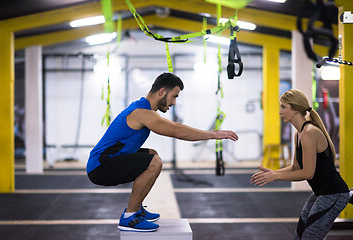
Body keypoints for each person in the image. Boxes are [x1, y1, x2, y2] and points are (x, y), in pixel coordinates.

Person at [86, 72, 239, 232]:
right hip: (100, 167)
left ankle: (136, 209)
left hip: (105, 161)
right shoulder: (141, 113)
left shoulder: (142, 108)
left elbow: (175, 127)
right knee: (154, 162)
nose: (173, 102)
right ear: (161, 92)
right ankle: (129, 217)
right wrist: (213, 134)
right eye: (174, 96)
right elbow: (177, 130)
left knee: (152, 154)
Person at [251, 89, 352, 240]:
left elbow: (307, 173)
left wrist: (276, 176)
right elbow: (296, 168)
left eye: (283, 107)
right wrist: (273, 173)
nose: (280, 112)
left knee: (310, 237)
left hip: (334, 194)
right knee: (299, 235)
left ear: (296, 109)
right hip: (321, 193)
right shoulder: (299, 134)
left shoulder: (309, 132)